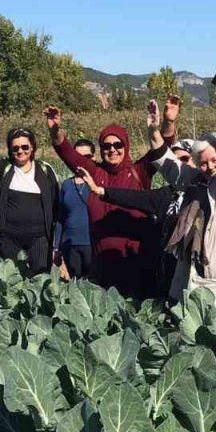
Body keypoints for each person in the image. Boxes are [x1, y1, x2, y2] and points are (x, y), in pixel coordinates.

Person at [81, 103, 216, 316]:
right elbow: (164, 161)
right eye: (203, 163)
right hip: (199, 280)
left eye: (215, 160)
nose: (210, 167)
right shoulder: (194, 183)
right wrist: (153, 130)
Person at [46, 103, 170, 300]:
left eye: (117, 145)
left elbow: (163, 151)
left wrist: (167, 122)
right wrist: (55, 130)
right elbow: (68, 154)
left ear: (126, 146)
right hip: (102, 265)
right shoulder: (96, 173)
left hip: (136, 265)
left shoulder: (139, 171)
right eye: (106, 146)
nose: (112, 150)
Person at [0, 128, 61, 276]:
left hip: (39, 237)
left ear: (32, 147)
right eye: (15, 148)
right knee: (13, 279)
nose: (20, 151)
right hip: (8, 237)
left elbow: (56, 203)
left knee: (41, 277)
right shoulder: (4, 167)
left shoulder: (45, 170)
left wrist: (56, 242)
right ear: (10, 149)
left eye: (25, 147)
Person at [53, 139, 96, 279]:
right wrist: (56, 247)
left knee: (93, 284)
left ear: (94, 158)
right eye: (77, 156)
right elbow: (60, 218)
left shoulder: (99, 185)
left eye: (87, 157)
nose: (82, 161)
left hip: (92, 244)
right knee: (76, 283)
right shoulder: (66, 185)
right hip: (69, 244)